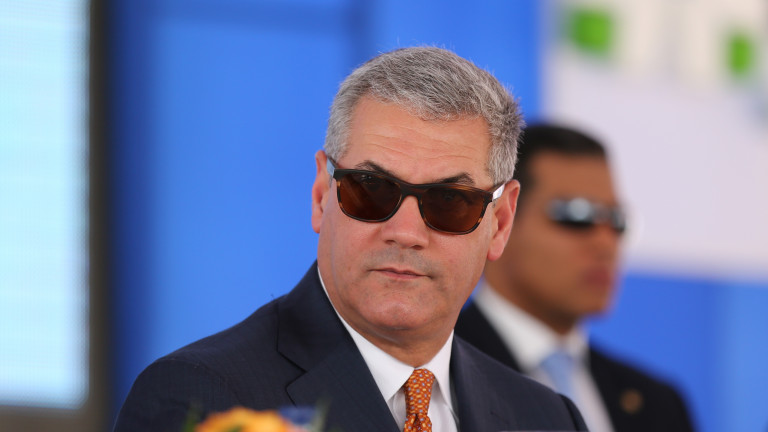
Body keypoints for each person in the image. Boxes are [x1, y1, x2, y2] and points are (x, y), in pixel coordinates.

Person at [113, 48, 587, 432]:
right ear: (322, 195)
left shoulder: (549, 418)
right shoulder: (202, 398)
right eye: (372, 189)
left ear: (500, 223)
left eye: (449, 201)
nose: (405, 232)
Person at [455, 124, 695, 432]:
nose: (606, 243)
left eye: (617, 220)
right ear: (502, 221)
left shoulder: (657, 404)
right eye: (576, 216)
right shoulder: (432, 375)